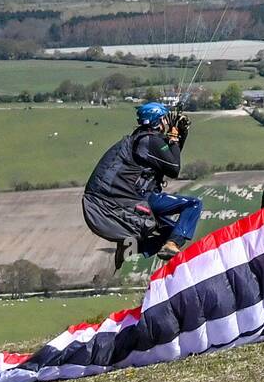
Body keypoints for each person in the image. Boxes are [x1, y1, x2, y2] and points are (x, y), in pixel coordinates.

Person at [82, 102, 202, 265]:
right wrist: (174, 136)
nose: (167, 122)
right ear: (157, 120)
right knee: (193, 205)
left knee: (172, 230)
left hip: (135, 196)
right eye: (165, 119)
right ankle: (171, 244)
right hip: (139, 198)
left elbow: (168, 160)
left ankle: (131, 248)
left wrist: (181, 134)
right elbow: (174, 169)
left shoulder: (143, 138)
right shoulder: (148, 140)